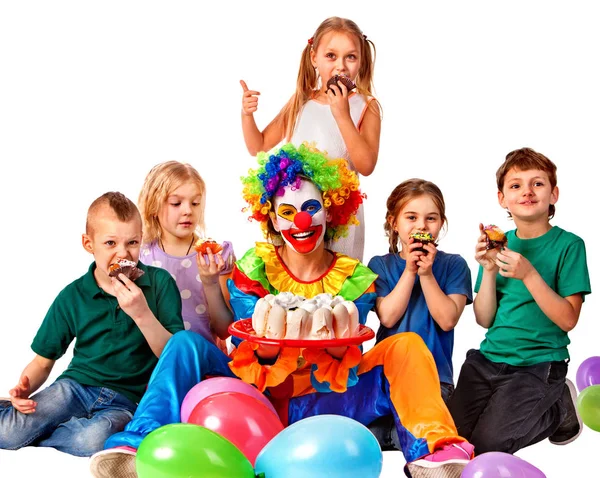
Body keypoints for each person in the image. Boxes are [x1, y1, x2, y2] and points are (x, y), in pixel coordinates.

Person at [89, 144, 473, 478]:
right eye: (287, 211)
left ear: (330, 211)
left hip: (329, 400)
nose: (301, 221)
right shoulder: (256, 266)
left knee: (404, 345)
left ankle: (435, 451)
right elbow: (245, 341)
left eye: (311, 208)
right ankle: (136, 445)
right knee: (186, 343)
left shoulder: (354, 275)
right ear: (271, 218)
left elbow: (344, 351)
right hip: (256, 397)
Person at [0, 192, 184, 457]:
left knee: (91, 441)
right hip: (74, 388)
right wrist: (26, 388)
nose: (123, 253)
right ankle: (18, 418)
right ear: (89, 244)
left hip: (127, 399)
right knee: (7, 435)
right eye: (110, 243)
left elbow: (174, 356)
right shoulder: (73, 295)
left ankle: (39, 431)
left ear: (141, 239)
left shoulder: (160, 284)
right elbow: (43, 362)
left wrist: (141, 314)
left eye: (132, 242)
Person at [449, 147, 591, 455]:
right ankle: (547, 403)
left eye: (537, 184)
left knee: (488, 447)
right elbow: (485, 319)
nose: (526, 191)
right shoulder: (500, 244)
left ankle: (557, 410)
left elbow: (568, 319)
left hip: (538, 366)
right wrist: (487, 270)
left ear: (554, 194)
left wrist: (529, 275)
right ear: (502, 198)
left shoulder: (569, 246)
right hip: (487, 360)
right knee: (451, 444)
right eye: (515, 185)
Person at [240, 16, 381, 261]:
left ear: (361, 61)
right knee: (294, 285)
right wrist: (246, 115)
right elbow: (258, 146)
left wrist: (342, 115)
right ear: (314, 57)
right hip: (295, 216)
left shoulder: (366, 106)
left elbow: (366, 166)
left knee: (337, 289)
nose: (341, 66)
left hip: (341, 222)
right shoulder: (301, 101)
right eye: (331, 56)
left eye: (351, 56)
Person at [367, 179, 472, 450]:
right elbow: (388, 317)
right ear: (394, 222)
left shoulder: (454, 265)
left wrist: (426, 273)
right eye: (411, 217)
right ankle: (397, 434)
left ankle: (408, 438)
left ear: (441, 224)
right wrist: (410, 270)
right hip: (386, 381)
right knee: (370, 439)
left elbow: (447, 319)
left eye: (431, 218)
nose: (421, 226)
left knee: (424, 443)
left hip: (435, 381)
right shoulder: (380, 264)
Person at [137, 161, 235, 349]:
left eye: (195, 203)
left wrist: (211, 283)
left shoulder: (217, 255)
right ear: (153, 206)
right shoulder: (141, 257)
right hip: (156, 367)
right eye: (176, 203)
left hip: (205, 365)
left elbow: (224, 330)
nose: (188, 210)